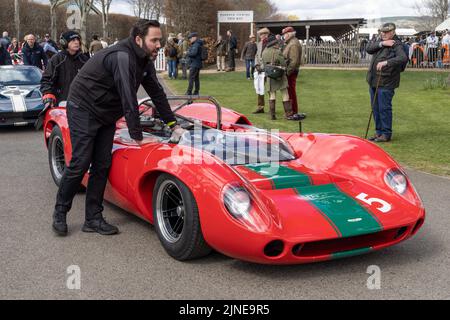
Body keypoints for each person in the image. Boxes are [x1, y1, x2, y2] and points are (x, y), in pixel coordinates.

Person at [51, 19, 182, 236]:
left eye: (160, 39)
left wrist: (173, 125)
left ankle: (93, 218)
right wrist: (137, 136)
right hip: (83, 107)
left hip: (106, 112)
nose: (159, 45)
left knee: (102, 163)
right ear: (139, 39)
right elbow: (128, 97)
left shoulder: (144, 59)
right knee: (81, 161)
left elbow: (157, 93)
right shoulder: (122, 56)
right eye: (155, 40)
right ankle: (60, 212)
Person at [366, 23, 408, 143]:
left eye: (385, 32)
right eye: (382, 32)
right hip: (374, 80)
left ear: (393, 32)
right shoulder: (380, 41)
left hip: (386, 81)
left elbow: (402, 58)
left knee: (384, 108)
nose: (383, 34)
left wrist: (386, 63)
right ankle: (379, 132)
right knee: (376, 108)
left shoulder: (397, 44)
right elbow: (368, 49)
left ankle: (386, 134)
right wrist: (382, 43)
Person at [40, 31, 89, 112]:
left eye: (78, 40)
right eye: (73, 40)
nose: (77, 42)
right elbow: (46, 80)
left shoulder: (84, 60)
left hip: (82, 103)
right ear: (65, 43)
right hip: (61, 103)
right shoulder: (56, 59)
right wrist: (48, 95)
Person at [261, 34, 296, 121]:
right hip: (279, 76)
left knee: (272, 95)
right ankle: (288, 114)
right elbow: (283, 63)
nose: (277, 44)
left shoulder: (264, 52)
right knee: (285, 94)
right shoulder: (277, 51)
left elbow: (263, 65)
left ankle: (272, 115)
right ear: (274, 43)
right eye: (276, 43)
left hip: (269, 76)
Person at [282, 26, 305, 119]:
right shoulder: (291, 43)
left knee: (291, 91)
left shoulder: (293, 44)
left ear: (289, 34)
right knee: (290, 91)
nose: (284, 36)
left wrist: (288, 72)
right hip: (291, 71)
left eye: (285, 34)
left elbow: (294, 61)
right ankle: (291, 111)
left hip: (291, 71)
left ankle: (293, 111)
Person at [253, 27, 270, 114]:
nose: (260, 36)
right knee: (259, 88)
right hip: (259, 70)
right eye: (260, 35)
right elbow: (256, 55)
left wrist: (263, 66)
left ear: (266, 34)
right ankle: (260, 107)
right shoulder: (259, 44)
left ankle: (272, 108)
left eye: (262, 34)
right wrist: (256, 65)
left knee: (270, 89)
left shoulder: (271, 44)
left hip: (268, 69)